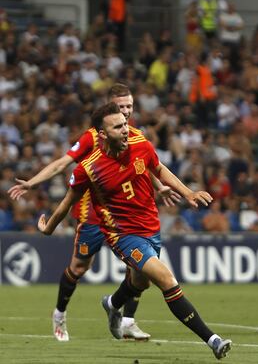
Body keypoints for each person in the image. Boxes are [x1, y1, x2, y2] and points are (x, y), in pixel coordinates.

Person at [38, 102, 232, 360]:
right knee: (166, 280)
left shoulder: (142, 145)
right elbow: (68, 202)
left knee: (141, 283)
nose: (126, 129)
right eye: (118, 126)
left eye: (125, 123)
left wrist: (188, 193)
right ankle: (213, 340)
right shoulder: (89, 168)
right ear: (103, 134)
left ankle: (113, 303)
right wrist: (49, 227)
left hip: (151, 227)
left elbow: (159, 168)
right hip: (123, 236)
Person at [8, 84, 180, 342]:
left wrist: (160, 186)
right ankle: (60, 313)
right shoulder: (92, 137)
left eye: (129, 107)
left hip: (124, 217)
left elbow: (143, 165)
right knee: (79, 267)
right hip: (93, 215)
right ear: (110, 106)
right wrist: (34, 182)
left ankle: (129, 321)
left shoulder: (132, 135)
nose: (126, 111)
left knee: (138, 267)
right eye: (121, 107)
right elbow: (63, 163)